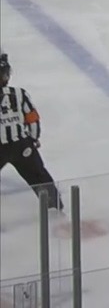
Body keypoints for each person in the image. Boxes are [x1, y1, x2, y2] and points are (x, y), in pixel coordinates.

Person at [0, 52, 64, 211]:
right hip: (22, 145)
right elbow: (33, 119)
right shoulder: (19, 94)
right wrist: (33, 139)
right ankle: (54, 208)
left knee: (38, 175)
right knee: (38, 176)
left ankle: (54, 208)